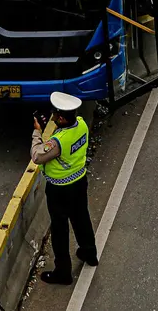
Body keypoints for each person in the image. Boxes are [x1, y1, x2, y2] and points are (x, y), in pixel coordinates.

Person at [31, 91, 98, 284]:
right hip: (79, 181)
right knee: (81, 218)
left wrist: (37, 132)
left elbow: (37, 156)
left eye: (54, 115)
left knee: (60, 229)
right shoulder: (82, 124)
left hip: (60, 190)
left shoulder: (59, 141)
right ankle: (89, 253)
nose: (52, 117)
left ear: (61, 117)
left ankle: (63, 272)